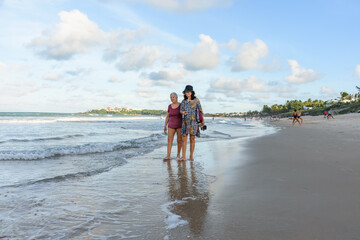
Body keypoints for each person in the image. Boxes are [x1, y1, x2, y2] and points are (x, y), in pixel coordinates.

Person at [178, 85, 204, 161]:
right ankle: (183, 156)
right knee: (184, 139)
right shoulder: (183, 101)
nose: (187, 93)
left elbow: (201, 111)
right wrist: (182, 112)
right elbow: (180, 110)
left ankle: (191, 156)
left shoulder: (196, 100)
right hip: (185, 122)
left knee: (192, 139)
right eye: (186, 92)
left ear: (191, 92)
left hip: (194, 122)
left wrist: (203, 121)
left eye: (188, 92)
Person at [163, 92, 182, 160]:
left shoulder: (181, 105)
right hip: (171, 125)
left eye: (173, 97)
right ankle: (168, 155)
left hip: (179, 125)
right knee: (169, 141)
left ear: (176, 97)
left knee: (179, 140)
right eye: (171, 97)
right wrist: (165, 126)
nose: (172, 98)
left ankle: (178, 154)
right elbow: (167, 116)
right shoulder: (169, 106)